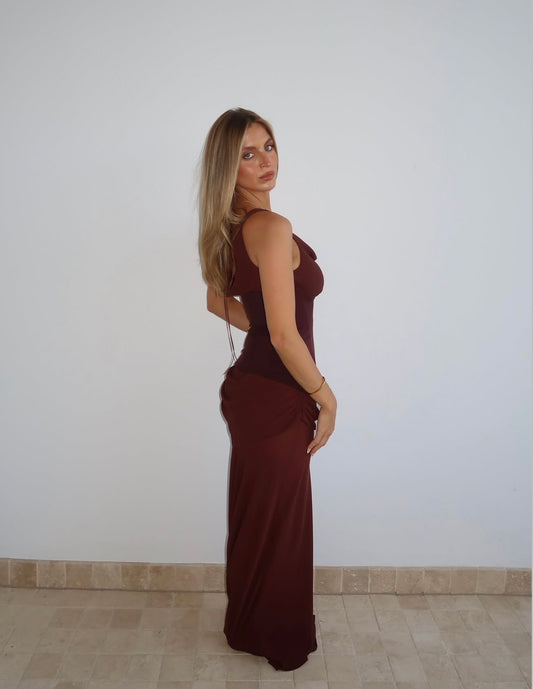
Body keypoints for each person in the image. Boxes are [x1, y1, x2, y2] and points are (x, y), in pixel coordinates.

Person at [198, 107, 337, 671]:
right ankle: (278, 639)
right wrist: (326, 397)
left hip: (255, 391)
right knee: (280, 525)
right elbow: (281, 333)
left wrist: (273, 333)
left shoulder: (230, 229)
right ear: (227, 169)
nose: (264, 161)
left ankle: (250, 626)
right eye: (248, 154)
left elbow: (221, 304)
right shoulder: (271, 228)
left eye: (269, 146)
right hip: (278, 396)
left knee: (263, 519)